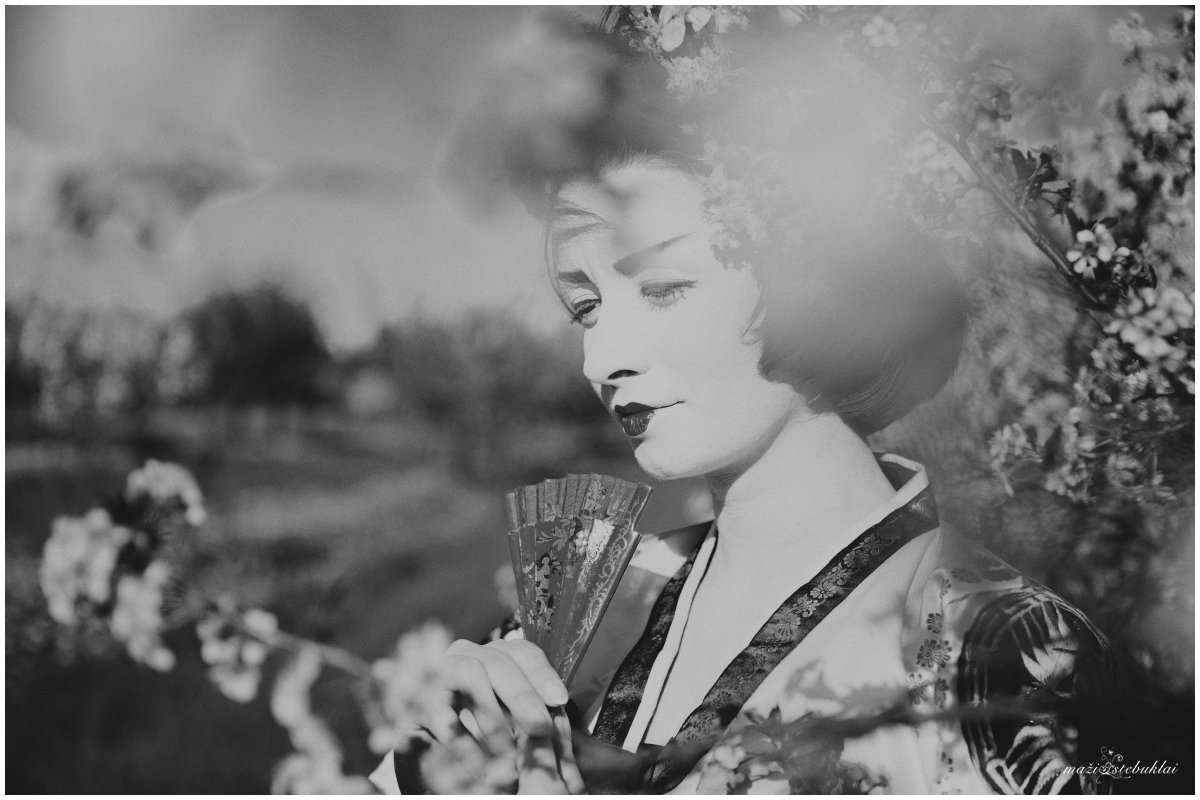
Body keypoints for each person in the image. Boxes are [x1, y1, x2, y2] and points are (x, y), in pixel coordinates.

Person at [372, 9, 1118, 795]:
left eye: (664, 287)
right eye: (585, 308)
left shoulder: (998, 656)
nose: (601, 359)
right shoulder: (582, 610)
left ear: (821, 282)